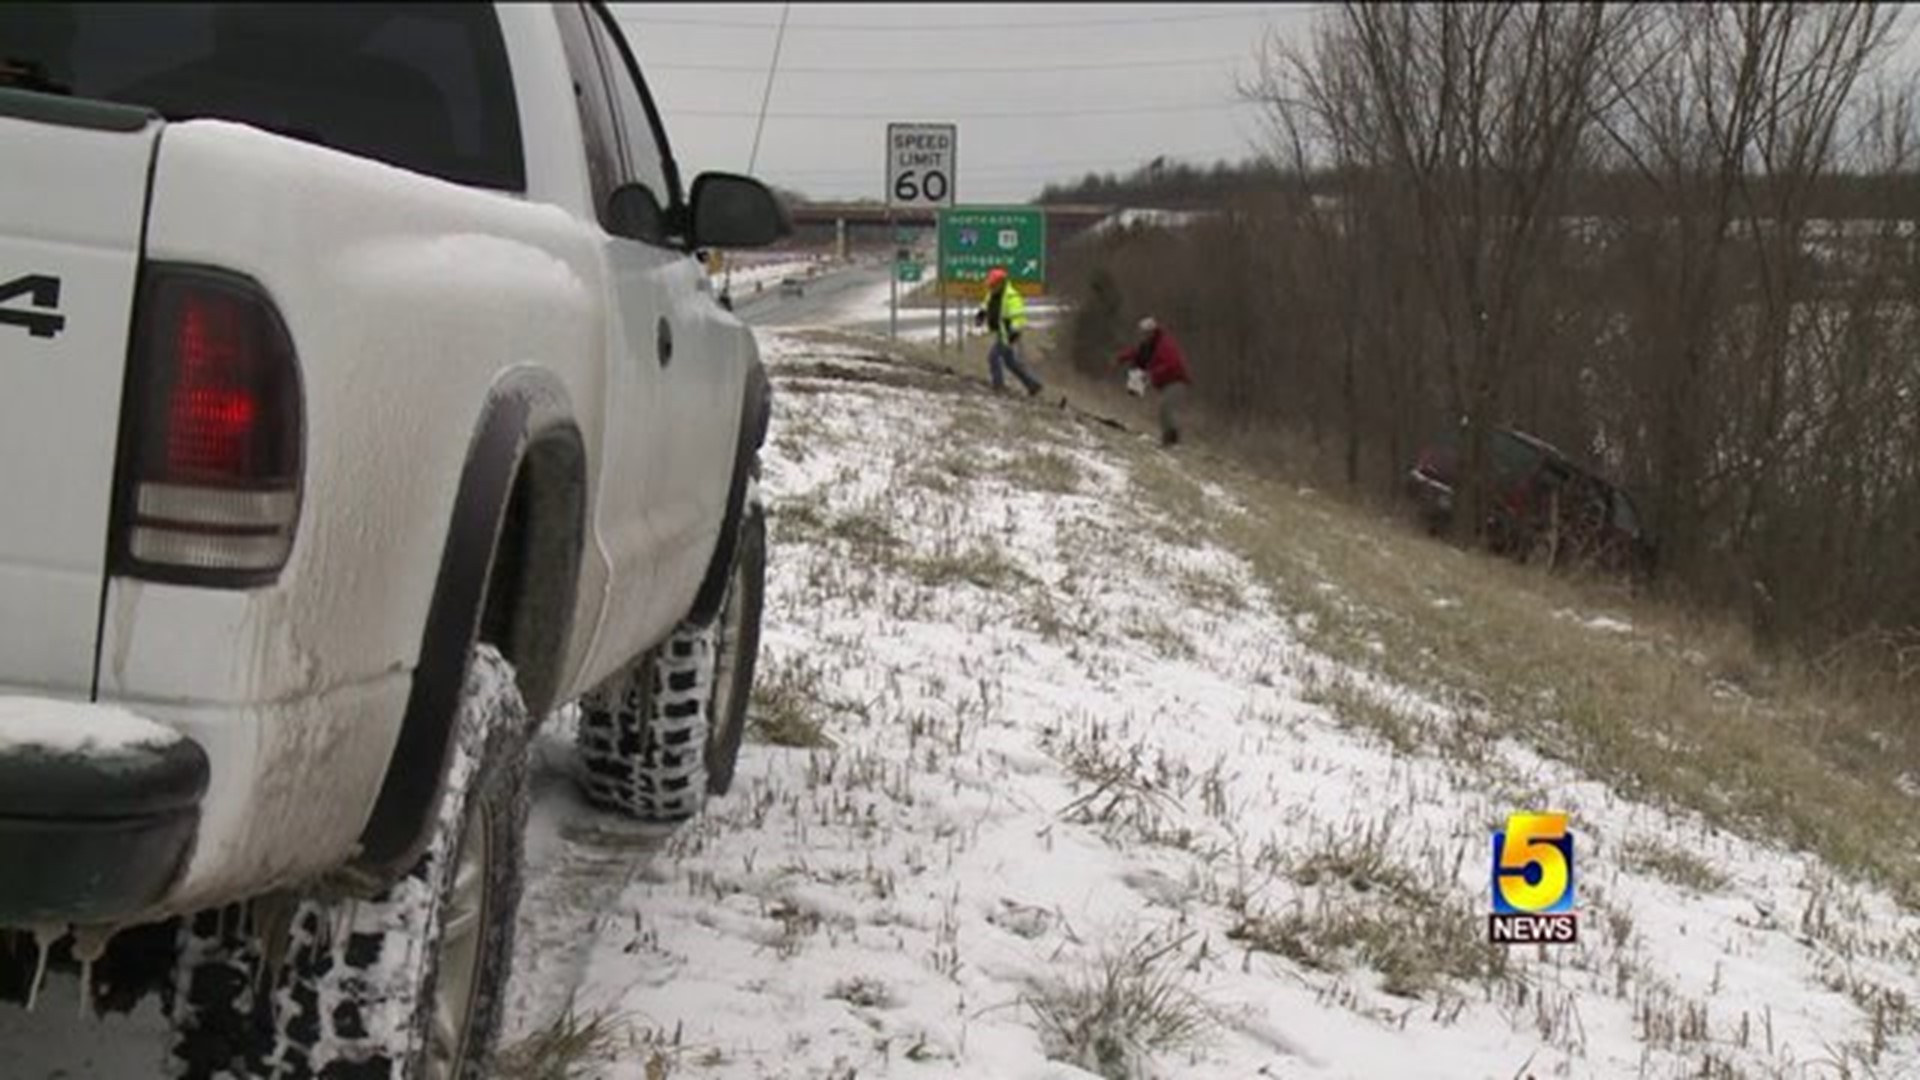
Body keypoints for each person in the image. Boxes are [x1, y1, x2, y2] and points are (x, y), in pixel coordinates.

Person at [1115, 316, 1192, 446]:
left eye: (1145, 333)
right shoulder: (1147, 345)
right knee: (1164, 410)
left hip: (1176, 381)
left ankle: (1171, 441)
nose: (1143, 335)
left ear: (1152, 332)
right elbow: (1136, 353)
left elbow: (1171, 363)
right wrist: (1120, 358)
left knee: (1165, 408)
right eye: (1141, 333)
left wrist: (1151, 374)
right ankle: (1170, 440)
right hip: (1164, 383)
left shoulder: (1164, 344)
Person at [973, 267, 1044, 396]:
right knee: (1010, 362)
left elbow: (1018, 317)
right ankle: (1033, 385)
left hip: (1008, 333)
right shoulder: (993, 294)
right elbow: (986, 304)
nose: (991, 287)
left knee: (993, 357)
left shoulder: (1012, 297)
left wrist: (1013, 333)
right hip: (1001, 332)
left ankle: (998, 387)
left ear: (1001, 283)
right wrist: (981, 315)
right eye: (991, 284)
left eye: (994, 284)